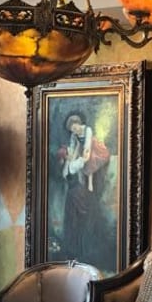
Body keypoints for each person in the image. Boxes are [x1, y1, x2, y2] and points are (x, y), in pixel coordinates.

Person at [58, 112, 114, 271]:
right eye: (71, 129)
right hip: (75, 183)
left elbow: (86, 152)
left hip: (93, 153)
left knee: (88, 168)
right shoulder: (74, 138)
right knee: (75, 218)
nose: (73, 130)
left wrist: (76, 162)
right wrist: (70, 161)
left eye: (74, 127)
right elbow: (75, 149)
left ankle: (83, 251)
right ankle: (75, 252)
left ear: (78, 123)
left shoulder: (87, 131)